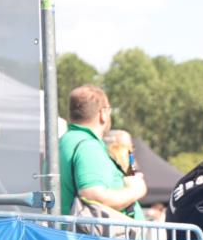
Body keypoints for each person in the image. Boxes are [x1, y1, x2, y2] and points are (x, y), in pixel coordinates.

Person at [59, 85, 146, 219]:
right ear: (103, 114)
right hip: (91, 232)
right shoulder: (88, 146)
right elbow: (93, 195)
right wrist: (135, 190)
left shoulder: (64, 142)